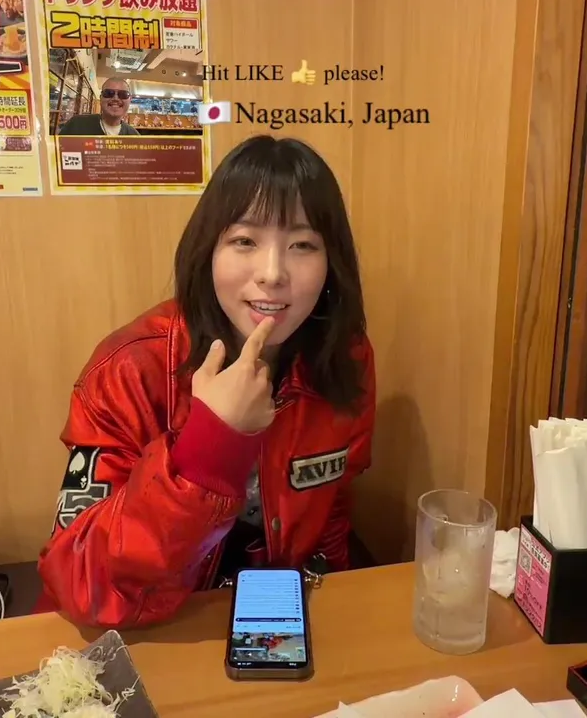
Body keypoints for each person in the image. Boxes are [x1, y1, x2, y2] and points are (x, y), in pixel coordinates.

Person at [37, 135, 376, 628]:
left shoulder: (344, 358)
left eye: (303, 245)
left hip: (267, 618)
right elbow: (79, 578)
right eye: (245, 241)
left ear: (332, 263)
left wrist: (334, 611)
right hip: (147, 628)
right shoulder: (130, 368)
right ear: (208, 250)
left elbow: (333, 507)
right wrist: (213, 445)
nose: (273, 273)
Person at [57, 77, 141, 136]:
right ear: (100, 98)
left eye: (123, 94)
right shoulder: (76, 124)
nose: (115, 98)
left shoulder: (134, 136)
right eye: (109, 93)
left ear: (130, 100)